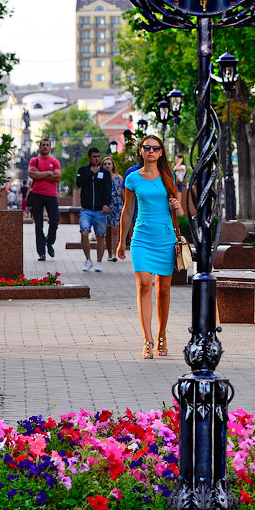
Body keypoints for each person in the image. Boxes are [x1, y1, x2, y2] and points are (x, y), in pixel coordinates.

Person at [117, 135, 184, 360]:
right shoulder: (133, 178)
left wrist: (176, 205)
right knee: (144, 285)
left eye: (156, 148)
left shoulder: (168, 176)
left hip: (165, 237)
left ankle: (162, 334)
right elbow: (127, 211)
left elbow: (179, 209)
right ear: (141, 151)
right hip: (142, 237)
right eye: (147, 148)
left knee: (163, 290)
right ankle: (147, 339)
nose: (151, 151)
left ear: (161, 152)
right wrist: (121, 241)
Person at [76, 146, 112, 272]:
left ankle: (99, 262)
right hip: (86, 209)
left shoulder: (105, 173)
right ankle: (87, 259)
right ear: (89, 158)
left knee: (100, 236)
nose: (97, 159)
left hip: (100, 209)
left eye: (98, 156)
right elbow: (79, 183)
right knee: (84, 232)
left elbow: (108, 189)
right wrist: (92, 173)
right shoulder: (83, 170)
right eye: (94, 157)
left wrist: (107, 204)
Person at [28, 138, 61, 262]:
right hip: (37, 195)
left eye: (47, 145)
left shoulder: (54, 161)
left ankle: (49, 241)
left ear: (50, 147)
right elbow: (32, 174)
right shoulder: (34, 160)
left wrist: (40, 174)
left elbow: (57, 177)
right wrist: (48, 172)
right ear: (40, 147)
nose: (45, 147)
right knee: (38, 224)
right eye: (43, 145)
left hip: (51, 195)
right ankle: (41, 252)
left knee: (54, 221)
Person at [105, 157, 124, 262]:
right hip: (106, 205)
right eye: (105, 164)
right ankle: (108, 253)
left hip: (117, 205)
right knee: (107, 231)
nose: (107, 165)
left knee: (115, 230)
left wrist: (125, 204)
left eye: (109, 163)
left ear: (113, 165)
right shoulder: (102, 177)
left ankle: (114, 253)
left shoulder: (118, 178)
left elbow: (122, 192)